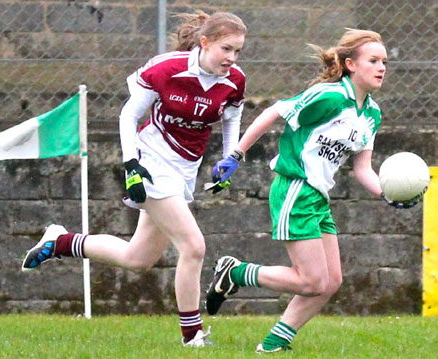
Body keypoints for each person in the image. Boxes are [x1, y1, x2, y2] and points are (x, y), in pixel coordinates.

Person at [22, 10, 247, 347]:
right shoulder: (166, 68)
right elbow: (129, 114)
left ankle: (60, 241)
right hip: (152, 159)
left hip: (185, 168)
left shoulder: (235, 80)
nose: (232, 58)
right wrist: (131, 164)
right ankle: (192, 336)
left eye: (238, 51)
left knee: (137, 260)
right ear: (204, 43)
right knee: (194, 246)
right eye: (226, 49)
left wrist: (231, 157)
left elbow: (231, 119)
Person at [205, 28, 418, 353]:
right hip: (294, 188)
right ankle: (236, 272)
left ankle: (274, 344)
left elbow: (362, 169)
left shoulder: (372, 114)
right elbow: (273, 112)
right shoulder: (329, 96)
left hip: (318, 197)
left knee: (331, 282)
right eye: (373, 60)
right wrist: (236, 154)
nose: (382, 67)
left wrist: (387, 194)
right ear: (350, 64)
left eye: (384, 61)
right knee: (311, 281)